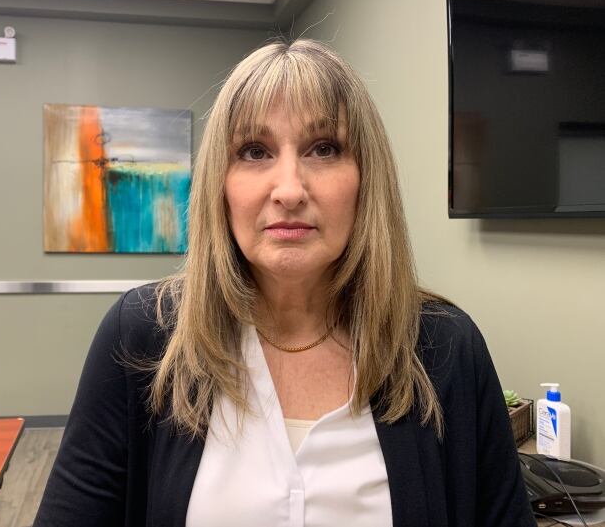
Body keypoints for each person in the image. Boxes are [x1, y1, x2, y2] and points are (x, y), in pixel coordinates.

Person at [33, 39, 535, 527]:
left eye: (323, 148)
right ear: (220, 184)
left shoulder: (445, 347)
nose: (290, 190)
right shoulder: (143, 333)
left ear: (366, 178)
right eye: (254, 151)